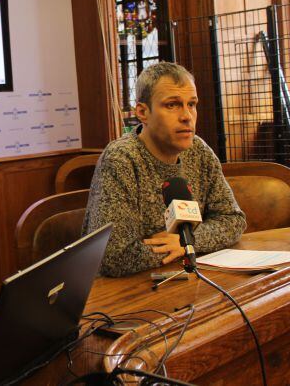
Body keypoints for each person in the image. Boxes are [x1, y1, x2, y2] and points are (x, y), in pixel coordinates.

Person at [82, 62, 246, 277]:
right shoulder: (121, 159)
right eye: (172, 105)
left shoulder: (199, 150)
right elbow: (113, 257)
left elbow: (233, 220)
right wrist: (185, 247)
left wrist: (187, 242)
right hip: (124, 292)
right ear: (143, 112)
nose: (187, 116)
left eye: (192, 104)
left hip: (181, 277)